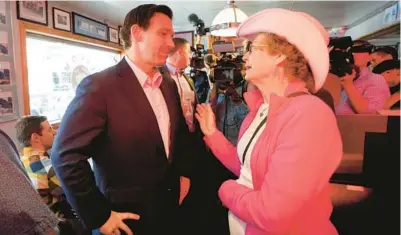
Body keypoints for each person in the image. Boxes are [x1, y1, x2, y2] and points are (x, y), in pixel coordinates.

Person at [51, 4, 197, 235]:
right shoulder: (99, 87)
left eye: (171, 35)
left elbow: (175, 135)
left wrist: (184, 174)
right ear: (137, 33)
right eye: (163, 34)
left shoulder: (168, 84)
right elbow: (65, 156)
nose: (170, 44)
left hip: (168, 209)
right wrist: (99, 215)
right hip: (123, 218)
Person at [196, 8, 342, 235]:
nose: (244, 57)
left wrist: (226, 189)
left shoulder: (309, 115)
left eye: (251, 49)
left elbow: (272, 213)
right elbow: (249, 168)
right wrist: (213, 134)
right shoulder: (261, 109)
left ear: (279, 55)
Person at [0, 129, 60, 235]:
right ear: (35, 137)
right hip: (53, 215)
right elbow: (60, 191)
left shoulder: (23, 156)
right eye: (49, 130)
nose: (54, 132)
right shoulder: (39, 163)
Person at [335, 41, 390, 114]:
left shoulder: (376, 80)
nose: (351, 54)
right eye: (347, 51)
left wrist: (348, 85)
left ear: (369, 57)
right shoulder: (335, 77)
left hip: (354, 124)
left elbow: (372, 112)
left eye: (356, 50)